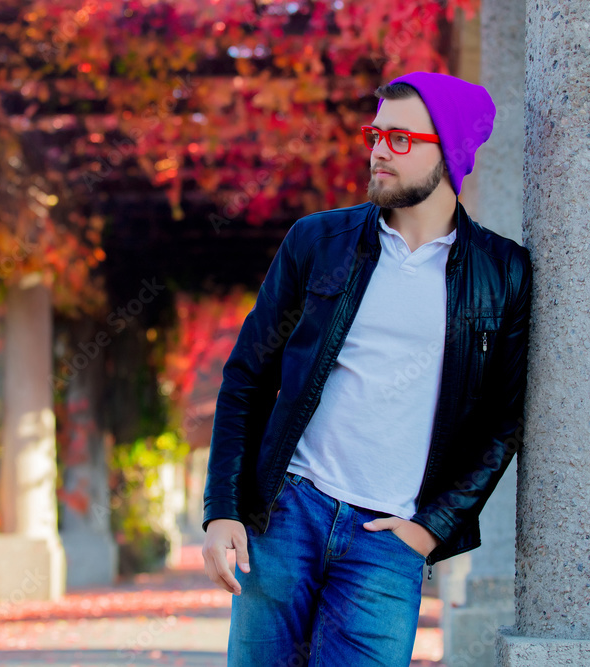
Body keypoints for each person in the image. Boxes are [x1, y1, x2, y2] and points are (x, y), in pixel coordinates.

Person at [201, 71, 532, 666]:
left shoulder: (502, 273)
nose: (380, 150)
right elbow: (248, 376)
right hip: (286, 515)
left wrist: (431, 529)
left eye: (401, 139)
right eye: (376, 135)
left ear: (450, 152)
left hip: (389, 540)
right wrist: (223, 508)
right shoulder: (317, 241)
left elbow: (503, 421)